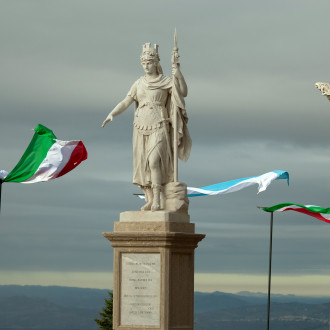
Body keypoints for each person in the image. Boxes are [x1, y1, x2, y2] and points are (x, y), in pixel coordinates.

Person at [102, 43, 191, 211]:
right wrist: (112, 113)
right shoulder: (138, 83)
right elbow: (126, 101)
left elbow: (183, 92)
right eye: (143, 63)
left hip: (160, 125)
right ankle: (150, 199)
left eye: (149, 62)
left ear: (156, 62)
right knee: (144, 165)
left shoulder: (166, 81)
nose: (146, 66)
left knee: (154, 161)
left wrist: (177, 72)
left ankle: (158, 201)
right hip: (140, 127)